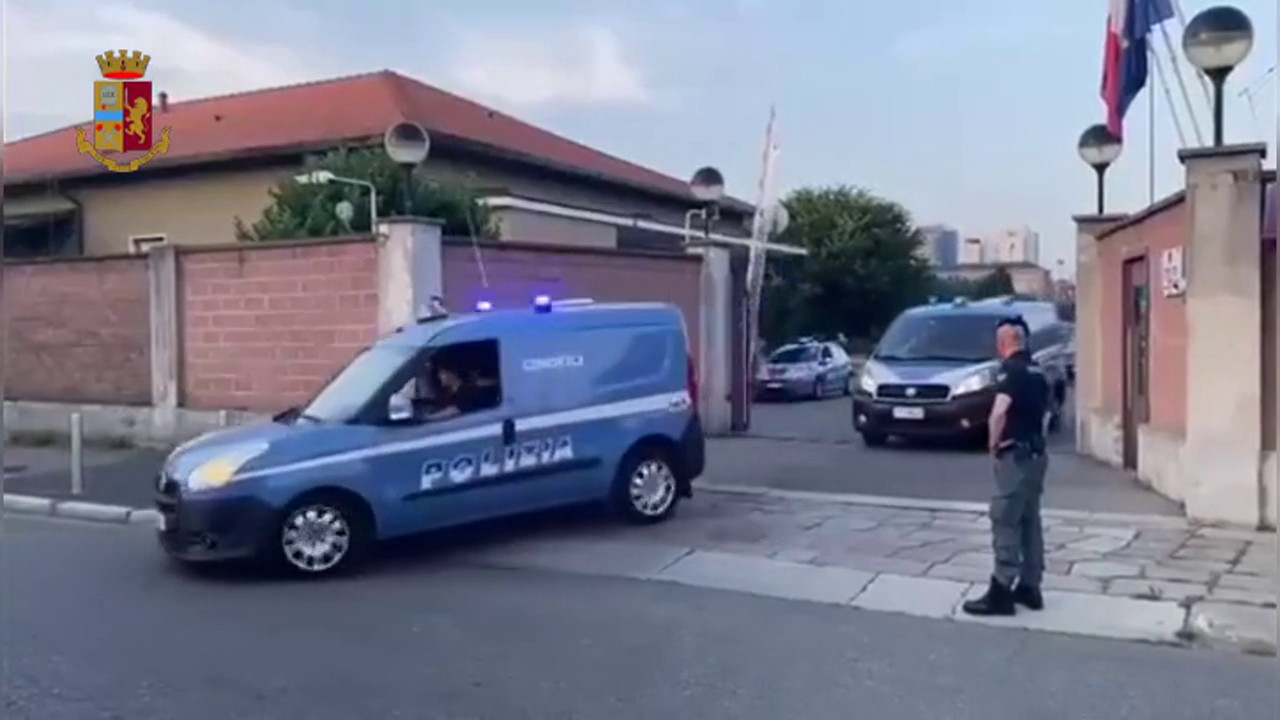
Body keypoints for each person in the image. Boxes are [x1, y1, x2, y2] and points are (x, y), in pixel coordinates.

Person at [962, 316, 1050, 617]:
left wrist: (992, 444)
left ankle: (1000, 589)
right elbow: (1045, 415)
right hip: (1037, 456)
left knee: (1005, 519)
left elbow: (999, 412)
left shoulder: (1010, 372)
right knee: (1030, 519)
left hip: (1015, 455)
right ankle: (1030, 586)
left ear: (1005, 343)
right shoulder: (1039, 372)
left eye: (999, 341)